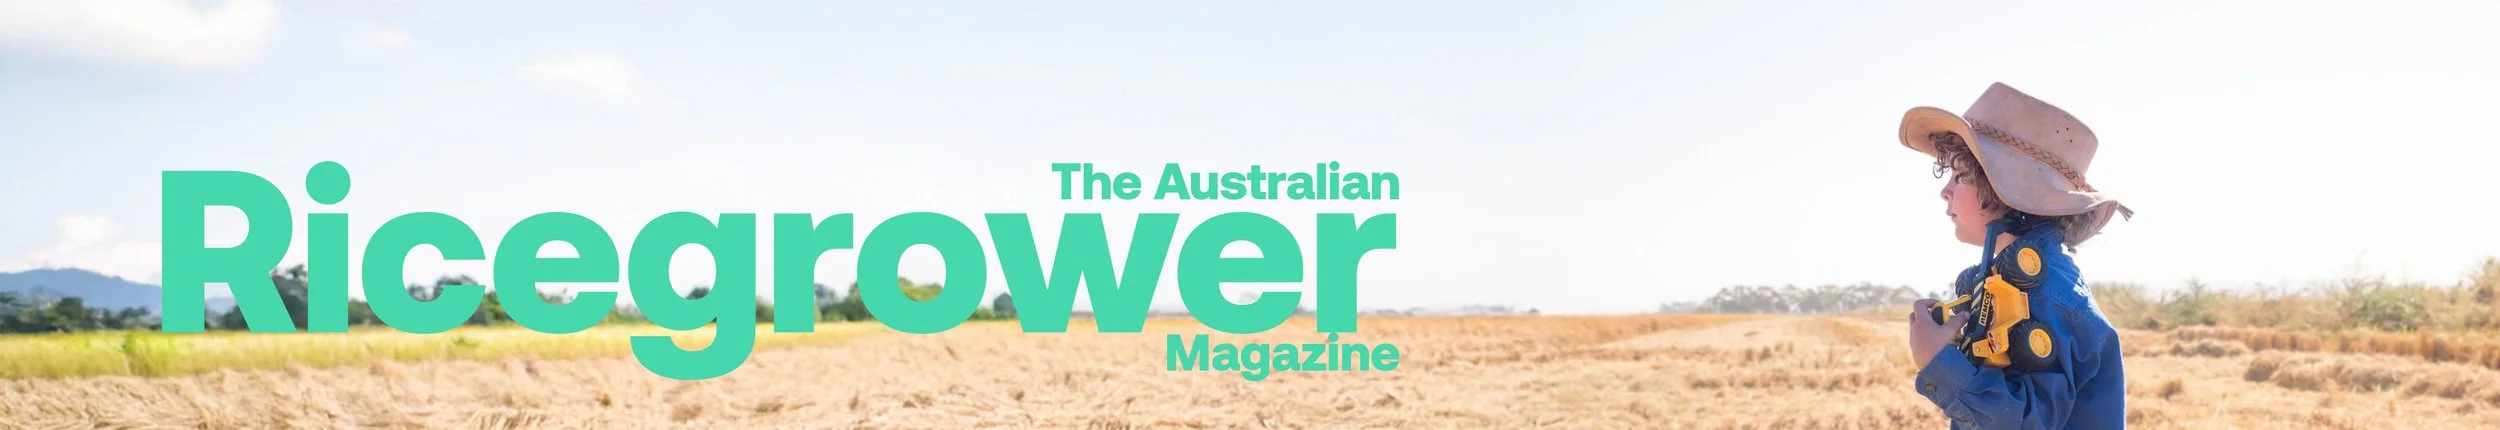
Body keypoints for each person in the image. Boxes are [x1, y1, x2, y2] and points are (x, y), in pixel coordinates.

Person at [1896, 83, 2132, 429]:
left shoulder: (2048, 293)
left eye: (1961, 175)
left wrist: (1937, 361)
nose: (1944, 191)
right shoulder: (2006, 283)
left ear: (2006, 189)